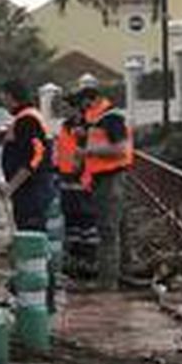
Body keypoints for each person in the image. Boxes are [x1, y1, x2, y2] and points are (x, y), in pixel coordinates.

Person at [78, 78, 134, 290]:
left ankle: (107, 282)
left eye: (83, 103)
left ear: (92, 101)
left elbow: (121, 149)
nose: (81, 109)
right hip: (105, 179)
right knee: (119, 227)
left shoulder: (111, 119)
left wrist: (88, 152)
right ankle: (123, 274)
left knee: (108, 230)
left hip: (112, 180)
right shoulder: (100, 119)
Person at [0, 80, 55, 232]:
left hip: (32, 189)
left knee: (32, 231)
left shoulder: (28, 119)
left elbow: (35, 157)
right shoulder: (25, 117)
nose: (1, 100)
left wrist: (11, 186)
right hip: (28, 188)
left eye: (2, 96)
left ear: (10, 96)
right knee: (27, 229)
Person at [51, 90, 98, 278]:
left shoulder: (89, 127)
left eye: (65, 107)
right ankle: (75, 263)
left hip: (83, 182)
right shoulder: (65, 126)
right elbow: (62, 151)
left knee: (87, 224)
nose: (62, 111)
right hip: (66, 180)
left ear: (76, 108)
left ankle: (90, 263)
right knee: (72, 224)